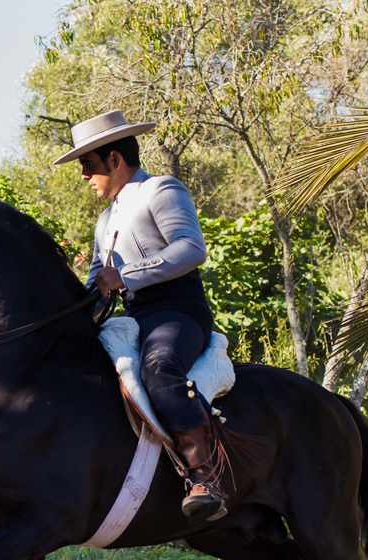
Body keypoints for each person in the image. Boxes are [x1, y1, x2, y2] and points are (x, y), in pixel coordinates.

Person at [53, 110, 220, 520]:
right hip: (131, 318)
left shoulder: (161, 190)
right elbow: (96, 284)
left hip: (178, 310)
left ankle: (204, 475)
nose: (83, 176)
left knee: (159, 368)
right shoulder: (105, 219)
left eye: (87, 166)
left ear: (114, 159)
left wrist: (124, 275)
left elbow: (191, 249)